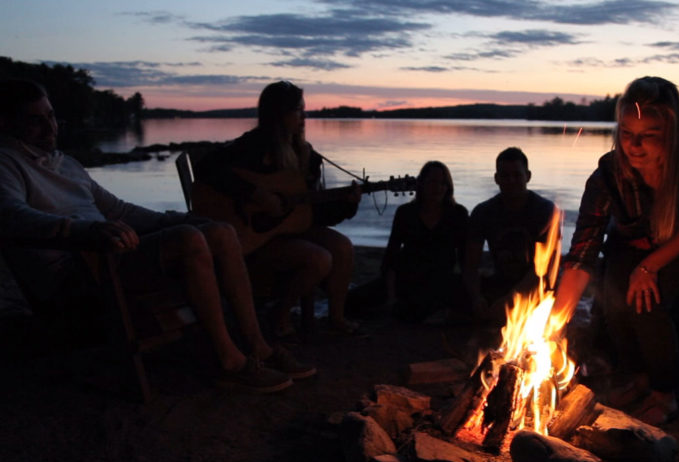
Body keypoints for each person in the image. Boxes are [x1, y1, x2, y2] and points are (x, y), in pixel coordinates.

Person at [0, 78, 315, 393]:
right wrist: (84, 230)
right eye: (35, 120)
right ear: (8, 122)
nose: (50, 127)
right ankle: (229, 362)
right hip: (75, 273)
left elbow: (120, 211)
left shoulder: (66, 163)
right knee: (188, 239)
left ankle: (258, 346)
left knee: (220, 231)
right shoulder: (7, 164)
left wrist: (181, 218)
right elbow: (12, 216)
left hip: (110, 254)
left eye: (51, 116)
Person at [549, 76, 679, 425]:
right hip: (632, 243)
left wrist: (648, 268)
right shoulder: (607, 174)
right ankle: (639, 377)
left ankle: (665, 392)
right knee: (614, 299)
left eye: (649, 135)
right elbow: (583, 251)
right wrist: (556, 322)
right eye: (627, 133)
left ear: (671, 132)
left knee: (647, 300)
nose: (634, 145)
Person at [194, 81, 361, 339]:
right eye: (298, 110)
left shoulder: (307, 156)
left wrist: (347, 205)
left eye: (304, 110)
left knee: (343, 247)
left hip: (286, 231)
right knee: (319, 259)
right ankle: (279, 317)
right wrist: (255, 194)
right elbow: (206, 167)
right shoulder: (252, 146)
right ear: (278, 114)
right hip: (251, 238)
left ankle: (336, 318)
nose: (304, 117)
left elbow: (311, 214)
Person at [348, 161, 469, 322]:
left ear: (448, 187)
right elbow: (391, 257)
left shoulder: (458, 214)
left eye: (443, 183)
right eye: (432, 181)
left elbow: (465, 259)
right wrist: (391, 296)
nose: (438, 187)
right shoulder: (405, 213)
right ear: (421, 184)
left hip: (441, 282)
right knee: (349, 302)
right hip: (405, 280)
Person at [463, 147, 556, 326]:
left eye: (517, 175)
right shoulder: (483, 212)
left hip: (535, 285)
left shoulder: (544, 210)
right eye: (505, 176)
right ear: (496, 178)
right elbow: (470, 265)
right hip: (500, 283)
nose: (511, 181)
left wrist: (513, 299)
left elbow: (543, 269)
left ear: (528, 176)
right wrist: (477, 298)